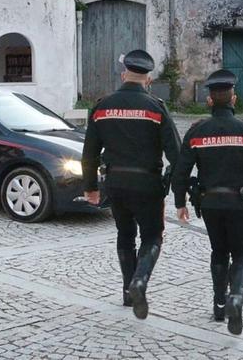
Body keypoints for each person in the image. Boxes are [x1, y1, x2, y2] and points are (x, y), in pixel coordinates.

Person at [172, 69, 243, 335]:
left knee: (219, 251)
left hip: (210, 204)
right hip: (240, 203)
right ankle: (236, 298)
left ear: (209, 101)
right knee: (241, 254)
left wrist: (179, 201)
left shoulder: (197, 132)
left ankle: (219, 304)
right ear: (234, 99)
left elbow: (181, 171)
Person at [82, 49, 181, 320]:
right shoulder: (156, 108)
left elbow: (89, 152)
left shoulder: (102, 106)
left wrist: (90, 188)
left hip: (115, 184)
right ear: (148, 78)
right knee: (152, 236)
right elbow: (176, 154)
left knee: (125, 234)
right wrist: (176, 185)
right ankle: (140, 281)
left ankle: (128, 291)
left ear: (124, 73)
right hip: (148, 185)